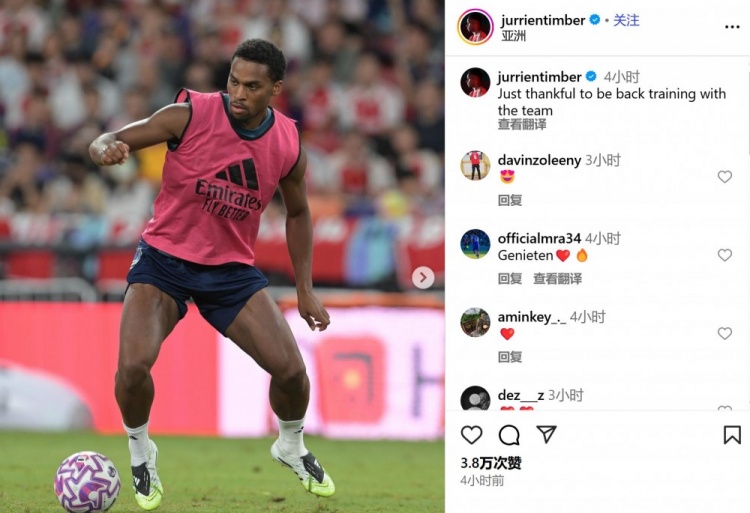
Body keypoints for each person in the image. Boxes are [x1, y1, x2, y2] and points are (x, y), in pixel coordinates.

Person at [88, 39, 335, 510]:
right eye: (233, 82)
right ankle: (141, 452)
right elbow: (107, 138)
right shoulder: (188, 114)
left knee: (292, 374)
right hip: (164, 261)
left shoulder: (287, 143)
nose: (239, 93)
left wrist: (305, 289)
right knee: (132, 369)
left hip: (231, 271)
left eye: (252, 86)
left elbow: (299, 213)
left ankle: (291, 445)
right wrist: (104, 149)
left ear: (276, 89)